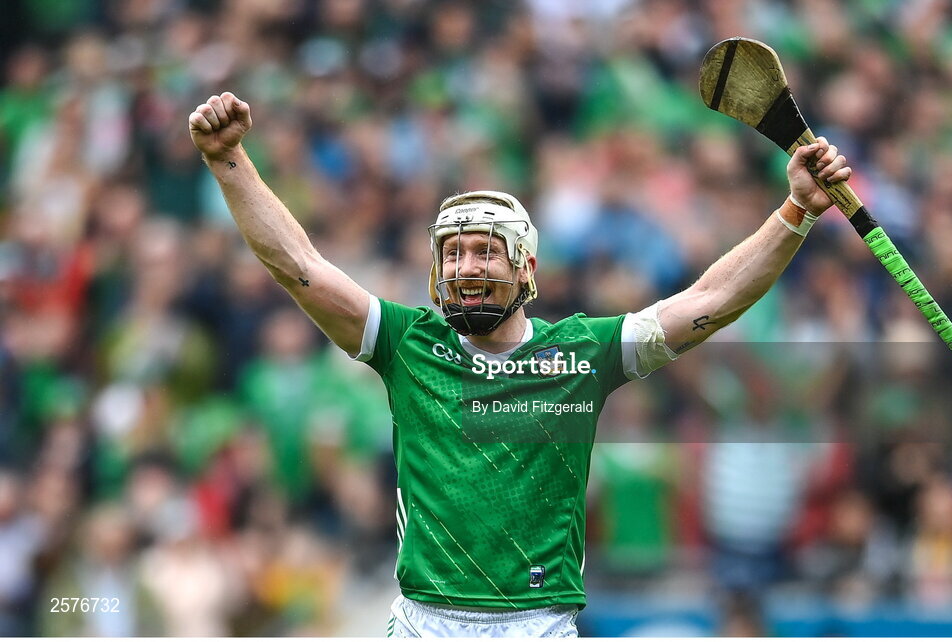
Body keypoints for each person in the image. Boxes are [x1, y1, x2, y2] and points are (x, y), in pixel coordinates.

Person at [188, 91, 851, 637]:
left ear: (524, 266)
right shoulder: (406, 343)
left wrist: (794, 212)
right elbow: (299, 267)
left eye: (483, 251)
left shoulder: (583, 351)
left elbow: (712, 298)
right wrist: (229, 162)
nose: (465, 266)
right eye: (452, 253)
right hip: (424, 623)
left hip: (540, 625)